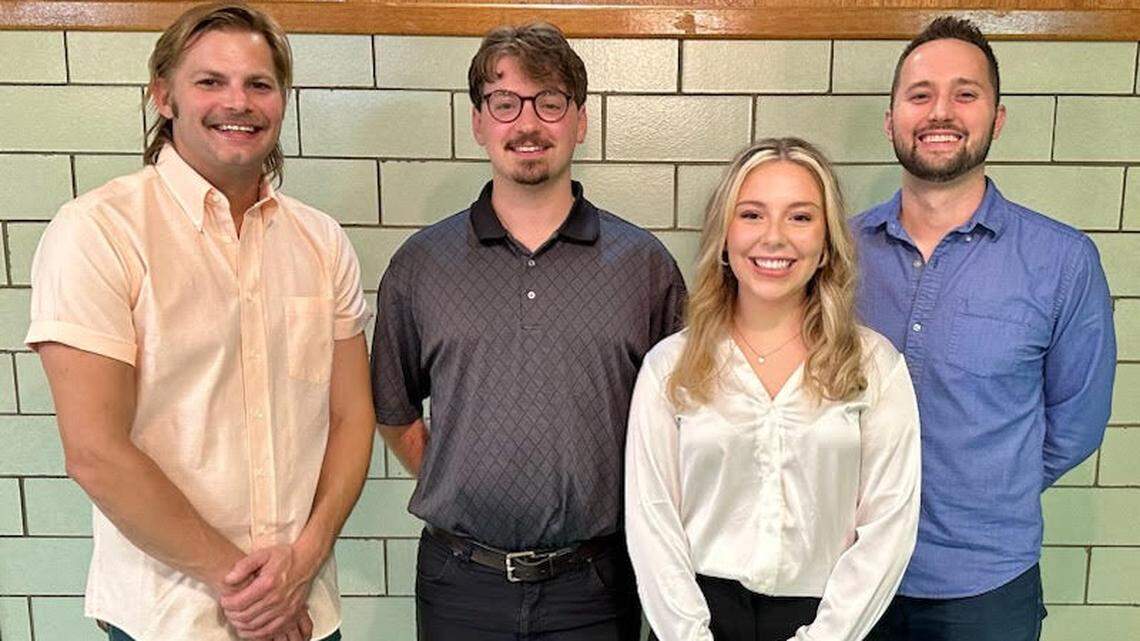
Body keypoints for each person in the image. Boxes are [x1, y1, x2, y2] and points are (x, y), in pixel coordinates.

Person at [25, 3, 375, 640]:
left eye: (259, 84)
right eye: (211, 81)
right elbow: (96, 452)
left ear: (282, 100)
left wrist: (302, 563)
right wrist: (247, 590)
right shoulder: (98, 232)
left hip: (305, 608)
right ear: (164, 96)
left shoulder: (321, 242)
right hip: (170, 618)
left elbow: (352, 417)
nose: (238, 102)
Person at [370, 21, 687, 641]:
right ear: (478, 122)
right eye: (505, 103)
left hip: (597, 584)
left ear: (580, 120)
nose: (527, 124)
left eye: (549, 102)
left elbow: (680, 419)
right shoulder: (422, 265)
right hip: (460, 583)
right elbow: (393, 409)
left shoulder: (643, 267)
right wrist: (458, 478)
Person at [855, 16, 1117, 641]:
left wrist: (993, 487)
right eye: (920, 95)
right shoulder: (838, 252)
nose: (940, 112)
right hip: (849, 572)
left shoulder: (1062, 261)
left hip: (986, 588)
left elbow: (1076, 423)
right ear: (891, 120)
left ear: (997, 119)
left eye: (965, 94)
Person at [625, 137, 921, 641]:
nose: (775, 237)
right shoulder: (670, 366)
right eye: (752, 215)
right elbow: (652, 520)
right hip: (696, 618)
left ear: (827, 242)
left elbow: (889, 525)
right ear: (724, 234)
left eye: (800, 217)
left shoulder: (875, 366)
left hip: (830, 621)